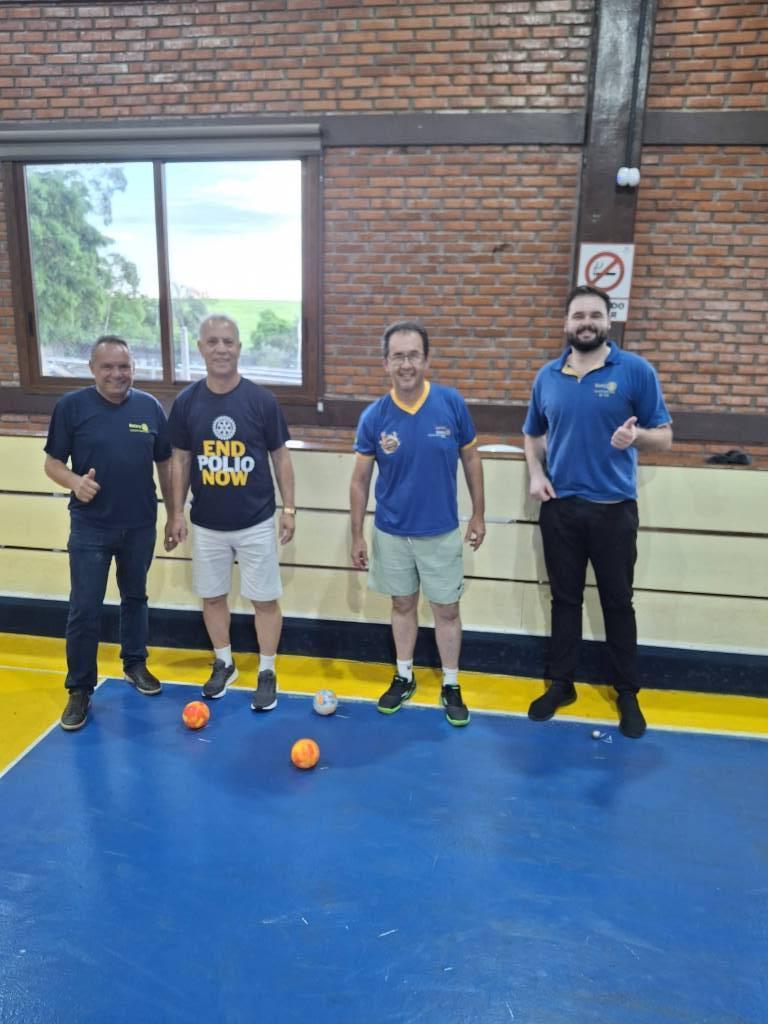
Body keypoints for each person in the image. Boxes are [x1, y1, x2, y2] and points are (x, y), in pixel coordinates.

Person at [523, 285, 673, 738]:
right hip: (561, 509)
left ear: (608, 321)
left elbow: (665, 436)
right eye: (578, 315)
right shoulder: (548, 376)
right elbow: (532, 433)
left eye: (594, 315)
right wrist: (536, 472)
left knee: (618, 603)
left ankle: (626, 692)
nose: (586, 323)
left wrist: (636, 438)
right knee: (564, 601)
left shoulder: (635, 371)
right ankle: (561, 684)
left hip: (614, 511)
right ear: (566, 323)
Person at [349, 320, 486, 727]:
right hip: (391, 532)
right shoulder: (374, 416)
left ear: (426, 360)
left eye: (413, 355)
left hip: (440, 532)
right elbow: (359, 481)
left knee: (447, 610)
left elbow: (471, 459)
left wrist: (479, 513)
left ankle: (451, 683)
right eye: (398, 356)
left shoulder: (451, 403)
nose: (406, 364)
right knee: (402, 605)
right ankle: (404, 675)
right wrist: (356, 534)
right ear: (386, 363)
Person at [44, 336, 174, 731]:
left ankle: (134, 664)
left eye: (124, 366)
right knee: (85, 608)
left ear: (133, 368)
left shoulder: (149, 407)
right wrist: (74, 482)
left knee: (135, 597)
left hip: (140, 524)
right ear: (92, 369)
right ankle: (80, 688)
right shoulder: (71, 407)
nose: (117, 374)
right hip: (91, 526)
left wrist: (174, 515)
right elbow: (52, 463)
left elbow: (165, 464)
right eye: (108, 367)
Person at [166, 314, 295, 711]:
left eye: (228, 341)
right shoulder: (186, 402)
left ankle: (267, 669)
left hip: (256, 520)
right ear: (201, 348)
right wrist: (175, 513)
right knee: (212, 597)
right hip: (207, 523)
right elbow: (181, 460)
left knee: (265, 599)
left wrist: (289, 508)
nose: (221, 349)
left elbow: (281, 457)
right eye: (213, 342)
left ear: (239, 347)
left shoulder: (261, 400)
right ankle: (224, 662)